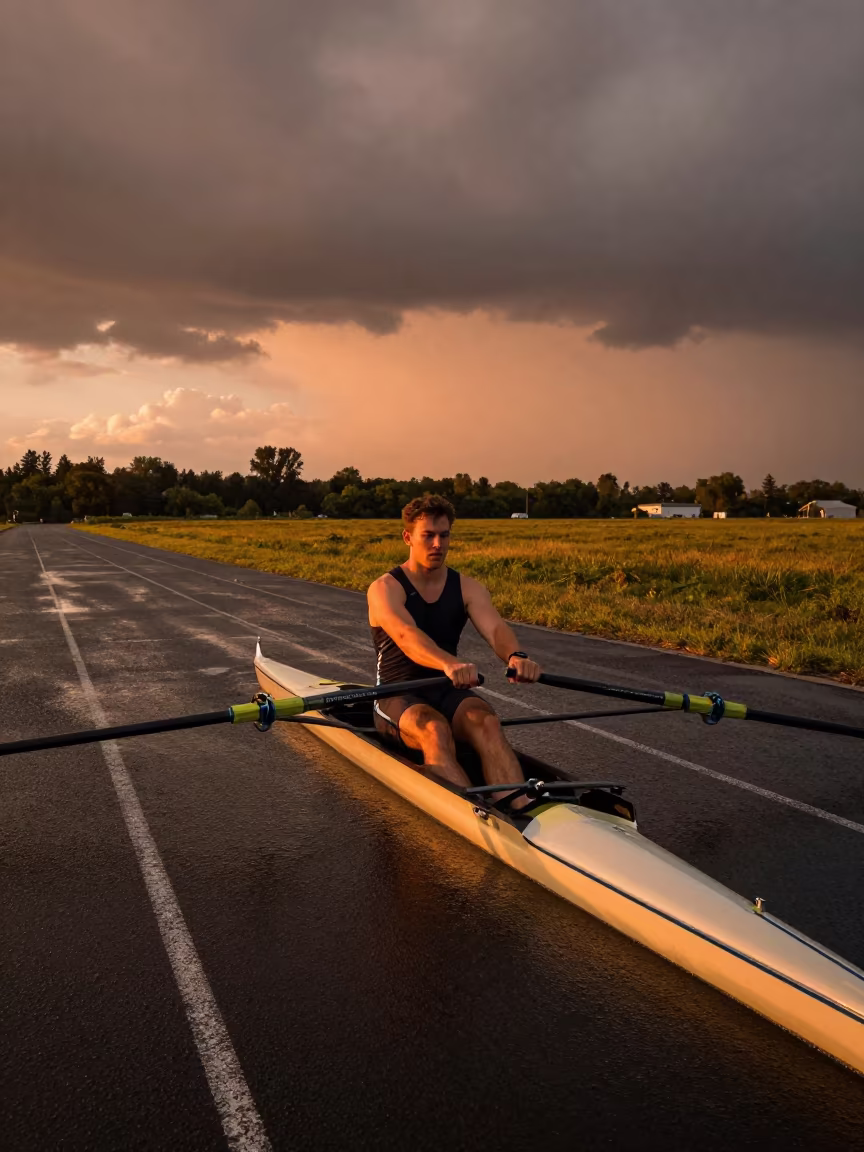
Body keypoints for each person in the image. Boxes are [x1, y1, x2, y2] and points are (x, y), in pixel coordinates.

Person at [367, 494, 541, 798]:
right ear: (408, 537)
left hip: (446, 689)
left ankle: (520, 808)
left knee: (486, 721)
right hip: (396, 694)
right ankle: (473, 814)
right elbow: (407, 636)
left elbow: (496, 629)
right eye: (428, 535)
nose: (438, 544)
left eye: (444, 535)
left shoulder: (467, 587)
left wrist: (516, 656)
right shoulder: (385, 588)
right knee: (434, 729)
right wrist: (448, 663)